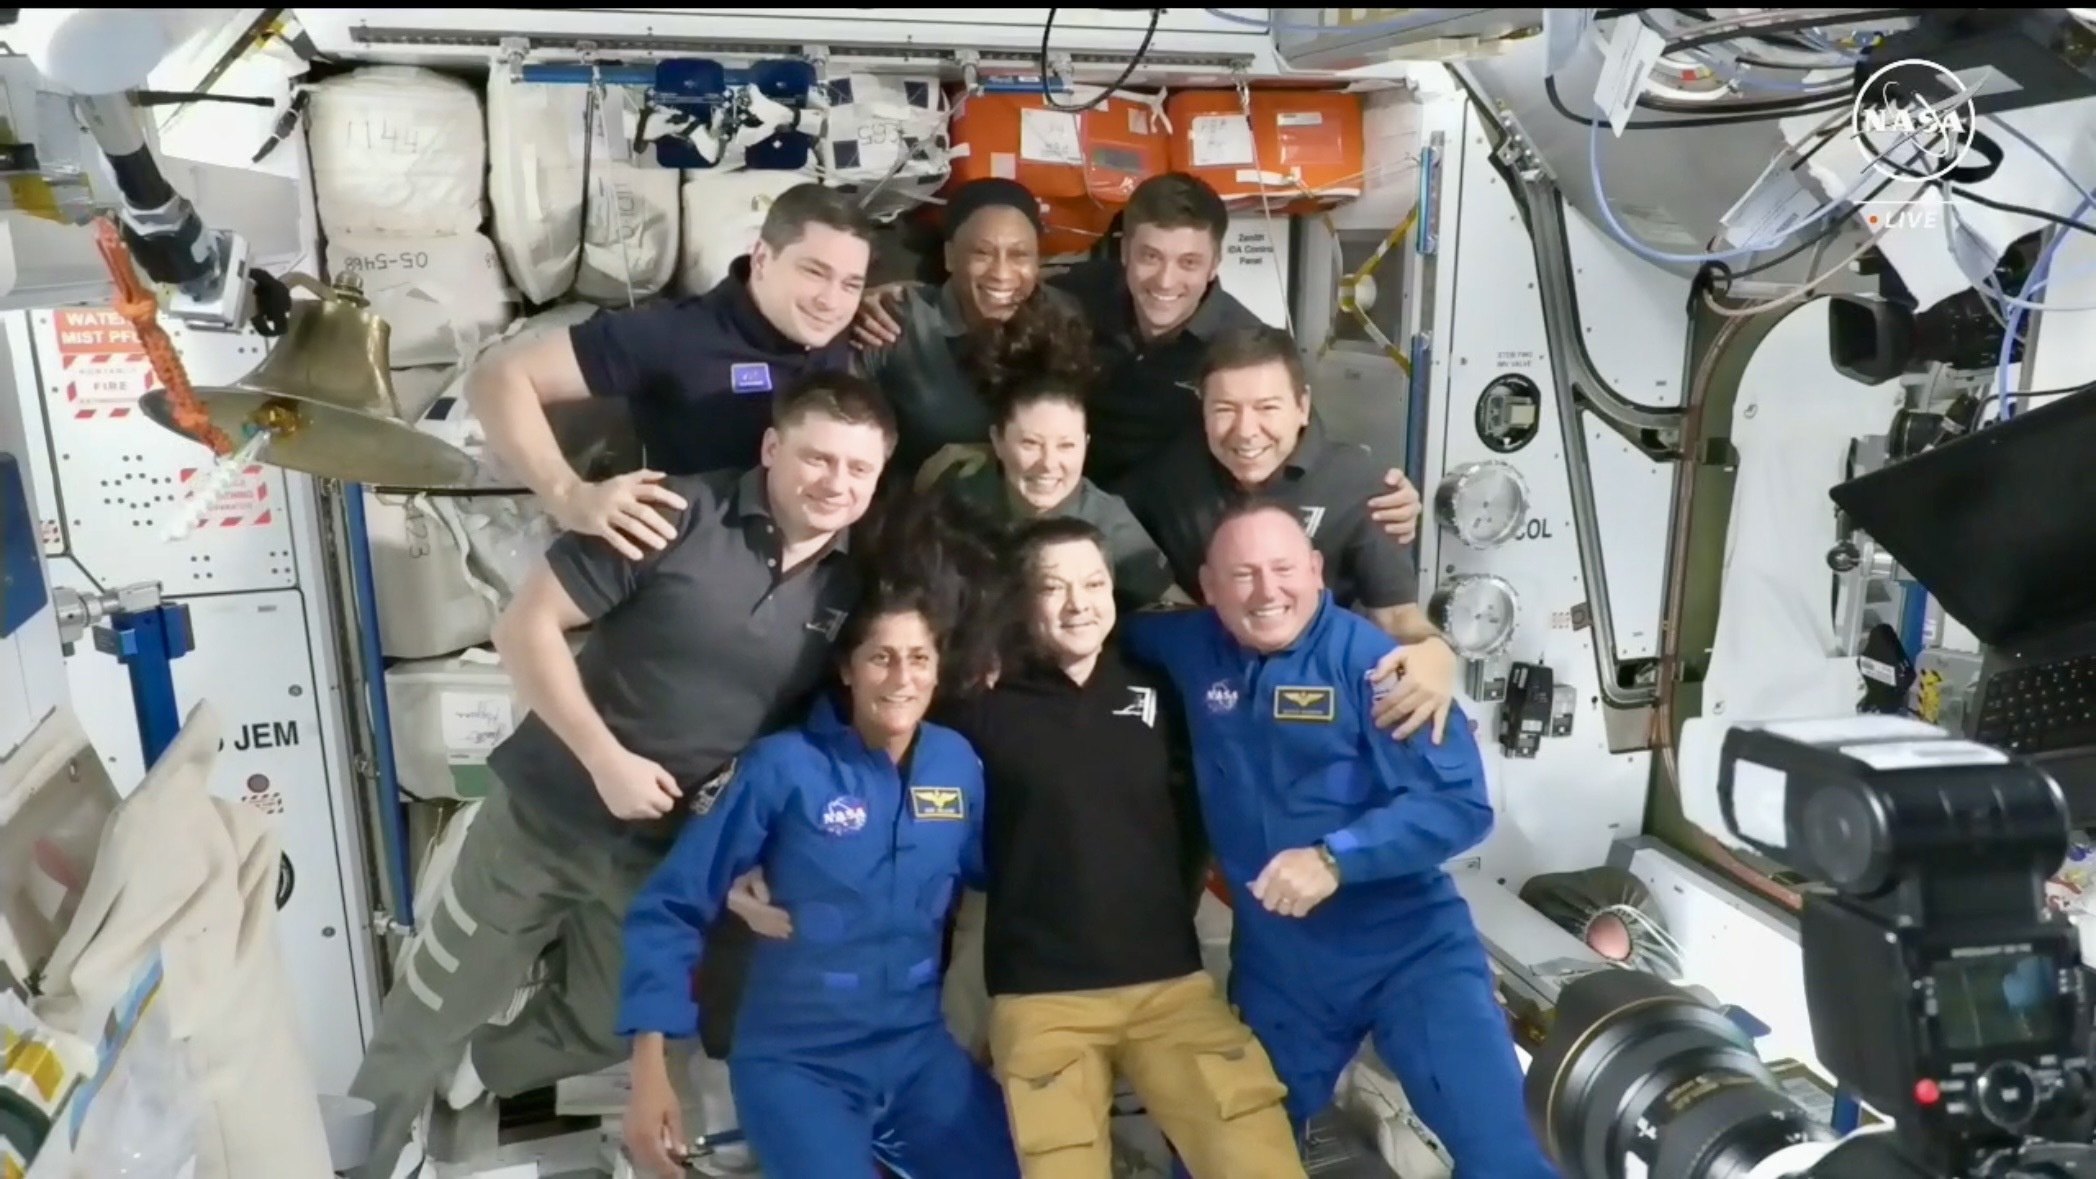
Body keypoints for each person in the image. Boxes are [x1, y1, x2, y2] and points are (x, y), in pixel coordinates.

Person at [346, 372, 895, 1179]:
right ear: (773, 447)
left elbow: (787, 742)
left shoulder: (848, 591)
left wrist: (749, 854)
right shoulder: (672, 513)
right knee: (427, 1015)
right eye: (818, 458)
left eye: (858, 469)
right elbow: (523, 626)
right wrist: (605, 759)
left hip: (662, 859)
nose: (834, 483)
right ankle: (357, 1163)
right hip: (540, 819)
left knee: (608, 1021)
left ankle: (483, 1068)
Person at [731, 518, 1307, 1178]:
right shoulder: (977, 698)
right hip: (1043, 1000)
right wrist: (756, 848)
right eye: (1053, 587)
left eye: (1093, 583)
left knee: (1260, 1160)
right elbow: (846, 728)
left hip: (1172, 990)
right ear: (1021, 599)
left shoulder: (1161, 681)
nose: (1077, 603)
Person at [1117, 501, 1557, 1178]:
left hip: (1412, 956)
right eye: (1242, 574)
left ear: (1316, 570)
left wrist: (1336, 857)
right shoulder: (1192, 646)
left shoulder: (1377, 665)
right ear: (1209, 587)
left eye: (1284, 568)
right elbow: (1098, 632)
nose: (1266, 591)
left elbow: (1459, 804)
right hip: (1283, 969)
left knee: (1506, 1156)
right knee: (1216, 1154)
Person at [616, 589, 1021, 1179]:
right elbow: (671, 906)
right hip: (797, 1062)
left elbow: (1001, 870)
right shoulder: (782, 767)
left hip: (915, 1051)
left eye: (919, 658)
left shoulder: (956, 764)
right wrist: (649, 1075)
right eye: (881, 658)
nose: (901, 677)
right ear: (847, 670)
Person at [851, 171, 1424, 546]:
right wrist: (883, 295)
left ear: (1215, 262)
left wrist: (1376, 495)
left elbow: (1294, 439)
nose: (1165, 281)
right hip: (1040, 496)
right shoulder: (1080, 296)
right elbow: (997, 280)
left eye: (1188, 262)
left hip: (1155, 529)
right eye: (1150, 255)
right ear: (1124, 250)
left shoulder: (1244, 343)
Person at [465, 182, 874, 560]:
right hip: (703, 567)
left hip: (819, 562)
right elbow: (497, 377)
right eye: (814, 272)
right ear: (762, 258)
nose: (830, 300)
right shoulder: (676, 335)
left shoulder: (836, 326)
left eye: (850, 284)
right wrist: (569, 495)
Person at [1128, 323, 1452, 657]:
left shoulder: (1360, 485)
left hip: (1322, 679)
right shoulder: (1171, 475)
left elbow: (1397, 616)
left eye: (1267, 408)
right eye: (1225, 409)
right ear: (1203, 408)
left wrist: (1434, 655)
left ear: (1302, 406)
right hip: (1205, 675)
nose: (1246, 431)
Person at [855, 176, 1092, 478]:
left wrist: (995, 451)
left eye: (1020, 255)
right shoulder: (893, 322)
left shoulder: (1065, 316)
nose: (1002, 273)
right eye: (982, 253)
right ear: (950, 256)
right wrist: (850, 304)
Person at [922, 375, 1179, 609]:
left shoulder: (1109, 523)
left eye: (1066, 446)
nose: (1048, 463)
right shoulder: (963, 492)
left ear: (1085, 446)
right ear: (998, 442)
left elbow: (1170, 603)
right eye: (1030, 444)